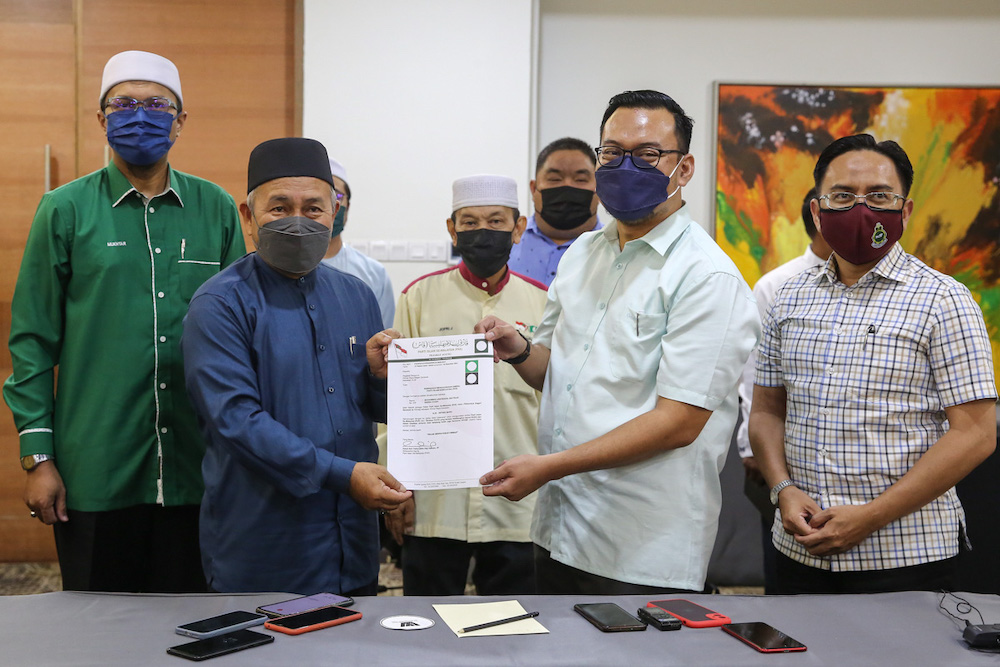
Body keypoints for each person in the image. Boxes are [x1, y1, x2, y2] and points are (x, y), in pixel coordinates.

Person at [476, 90, 759, 594]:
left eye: (648, 154)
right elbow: (558, 372)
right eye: (611, 152)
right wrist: (517, 348)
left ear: (685, 168)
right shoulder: (586, 252)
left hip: (640, 544)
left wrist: (547, 468)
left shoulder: (705, 275)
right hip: (560, 524)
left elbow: (679, 421)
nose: (625, 166)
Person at [3, 50, 245, 593]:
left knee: (195, 622)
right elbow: (34, 341)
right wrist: (38, 457)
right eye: (124, 104)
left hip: (197, 462)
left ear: (180, 121)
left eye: (157, 104)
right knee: (98, 627)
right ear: (102, 119)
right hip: (97, 465)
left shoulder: (217, 208)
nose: (140, 115)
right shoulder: (63, 210)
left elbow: (240, 334)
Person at [749, 134, 997, 595]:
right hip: (799, 549)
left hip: (906, 556)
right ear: (818, 211)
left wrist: (870, 517)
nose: (861, 209)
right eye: (843, 196)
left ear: (904, 210)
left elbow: (977, 434)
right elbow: (766, 411)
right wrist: (782, 488)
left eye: (879, 196)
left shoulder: (944, 299)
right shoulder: (788, 296)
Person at [181, 137, 411, 594]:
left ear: (334, 213)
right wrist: (343, 475)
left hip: (352, 538)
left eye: (313, 208)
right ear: (248, 218)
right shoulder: (220, 304)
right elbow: (236, 421)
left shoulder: (356, 295)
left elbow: (372, 408)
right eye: (279, 208)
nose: (298, 221)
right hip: (266, 543)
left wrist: (381, 379)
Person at [384, 175, 548, 595]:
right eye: (470, 222)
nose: (482, 232)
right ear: (452, 229)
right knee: (426, 629)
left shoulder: (545, 302)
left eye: (496, 221)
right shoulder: (418, 298)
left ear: (518, 227)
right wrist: (397, 488)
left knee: (515, 632)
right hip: (438, 503)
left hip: (519, 504)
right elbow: (396, 401)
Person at [735, 187, 833, 592]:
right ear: (817, 218)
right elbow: (752, 378)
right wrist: (752, 452)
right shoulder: (779, 286)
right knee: (788, 578)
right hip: (782, 464)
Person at [507, 137, 601, 286]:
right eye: (555, 179)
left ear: (600, 189)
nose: (567, 187)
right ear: (533, 189)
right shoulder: (502, 244)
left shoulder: (618, 249)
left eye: (581, 179)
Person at [321, 157, 395, 329]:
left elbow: (383, 340)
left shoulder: (373, 273)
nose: (330, 205)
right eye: (322, 197)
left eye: (337, 196)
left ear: (347, 206)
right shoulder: (284, 270)